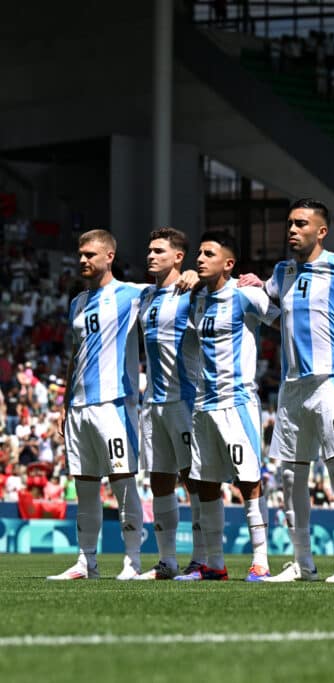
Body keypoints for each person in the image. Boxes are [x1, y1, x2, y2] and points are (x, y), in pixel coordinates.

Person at [259, 199, 334, 583]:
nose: (291, 229)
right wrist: (254, 286)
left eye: (300, 223)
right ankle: (302, 563)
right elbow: (270, 304)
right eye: (289, 222)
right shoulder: (282, 271)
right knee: (290, 477)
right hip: (291, 387)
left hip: (329, 383)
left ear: (321, 231)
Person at [47, 230, 153, 580]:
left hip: (114, 404)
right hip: (78, 406)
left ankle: (132, 561)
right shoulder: (77, 302)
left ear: (109, 256)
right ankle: (85, 562)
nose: (82, 260)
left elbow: (171, 288)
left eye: (90, 254)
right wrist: (64, 401)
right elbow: (75, 355)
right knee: (85, 485)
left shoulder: (131, 293)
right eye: (80, 254)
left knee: (123, 481)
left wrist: (189, 275)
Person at [176, 231, 280, 581]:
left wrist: (266, 286)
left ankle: (261, 560)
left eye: (208, 254)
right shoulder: (198, 299)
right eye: (199, 253)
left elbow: (283, 319)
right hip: (203, 405)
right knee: (204, 482)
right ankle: (214, 564)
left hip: (237, 404)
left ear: (229, 263)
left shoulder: (245, 295)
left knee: (248, 481)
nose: (200, 259)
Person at [134, 228, 203, 580]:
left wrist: (197, 275)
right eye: (149, 250)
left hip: (184, 400)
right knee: (160, 480)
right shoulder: (145, 296)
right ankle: (167, 561)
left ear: (178, 256)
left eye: (159, 251)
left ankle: (202, 559)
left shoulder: (191, 292)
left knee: (195, 480)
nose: (150, 256)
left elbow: (223, 287)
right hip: (153, 404)